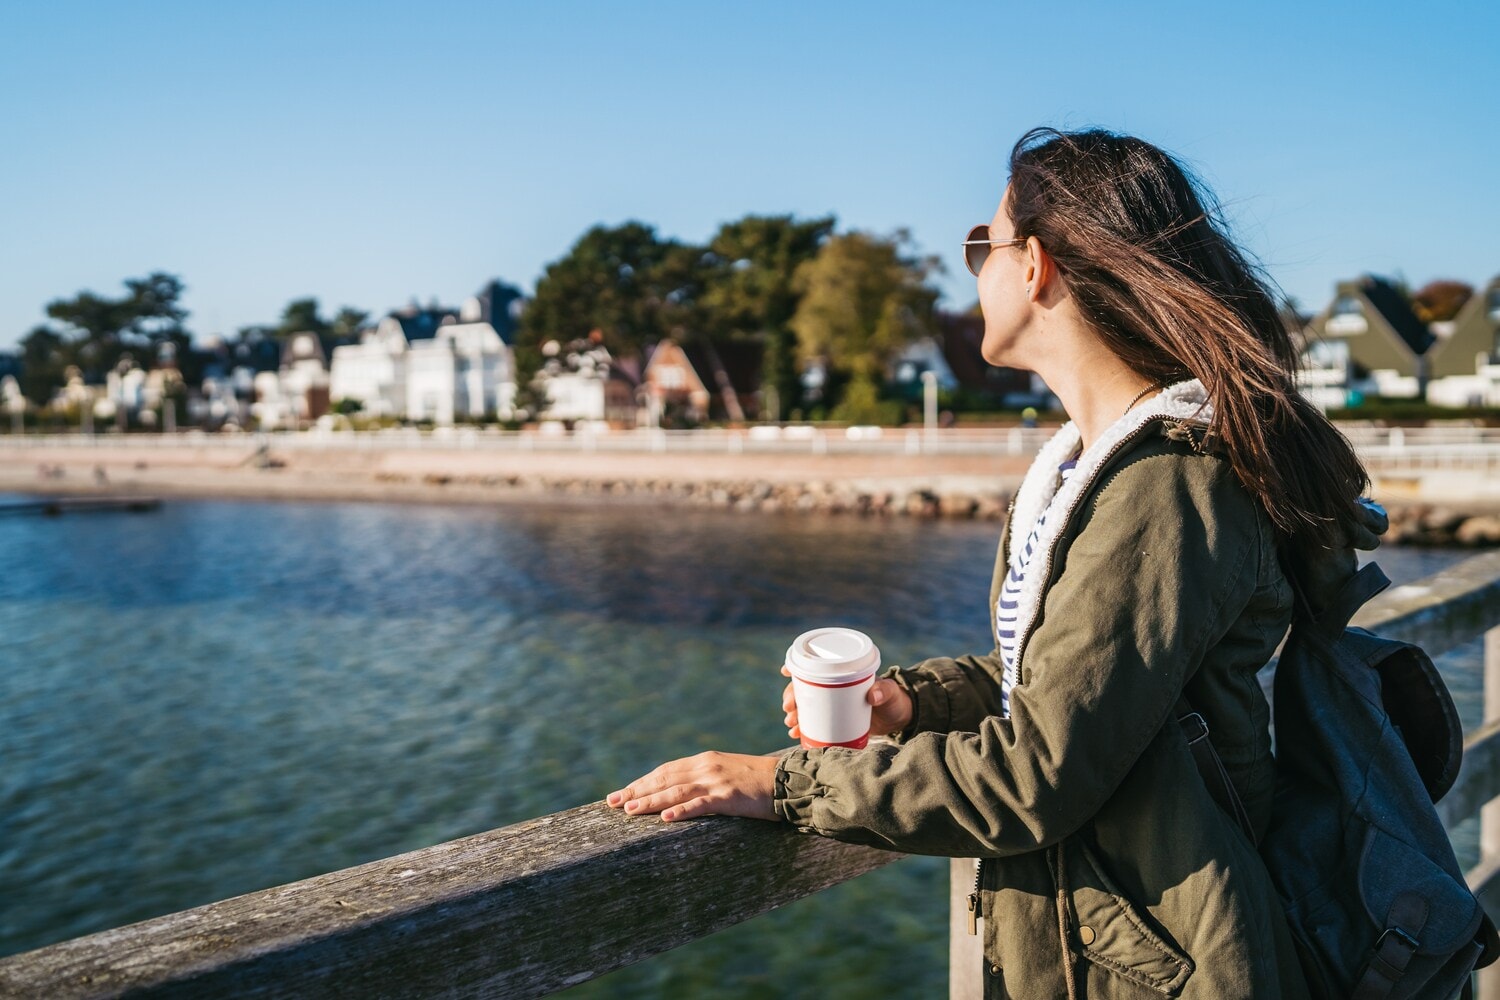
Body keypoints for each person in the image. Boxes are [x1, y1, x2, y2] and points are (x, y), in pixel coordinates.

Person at [607, 126, 1384, 998]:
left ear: (1037, 265)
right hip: (1116, 943)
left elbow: (1033, 775)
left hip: (1165, 964)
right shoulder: (1090, 465)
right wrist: (915, 700)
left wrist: (782, 784)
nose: (971, 268)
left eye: (983, 244)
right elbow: (1073, 682)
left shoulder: (1167, 487)